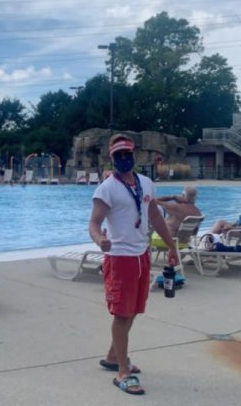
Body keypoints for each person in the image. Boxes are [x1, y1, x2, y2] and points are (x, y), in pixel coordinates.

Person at [89, 134, 176, 396]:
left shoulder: (146, 184)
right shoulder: (106, 188)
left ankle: (114, 356)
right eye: (119, 156)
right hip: (120, 257)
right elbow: (93, 223)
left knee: (135, 309)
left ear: (134, 155)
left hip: (141, 255)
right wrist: (100, 239)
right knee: (122, 313)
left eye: (128, 154)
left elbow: (155, 218)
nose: (124, 159)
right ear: (112, 158)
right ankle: (122, 373)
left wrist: (171, 247)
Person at [154, 186, 201, 264]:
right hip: (185, 242)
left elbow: (154, 201)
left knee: (148, 233)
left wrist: (172, 197)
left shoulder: (175, 207)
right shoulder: (197, 212)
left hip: (168, 242)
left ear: (183, 195)